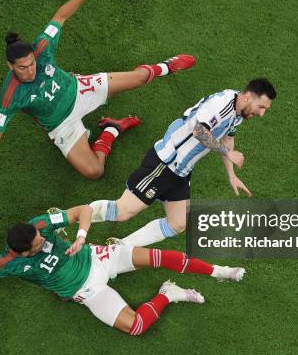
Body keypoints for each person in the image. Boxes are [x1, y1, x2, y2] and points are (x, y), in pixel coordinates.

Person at [0, 0, 195, 193]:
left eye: (32, 63)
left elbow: (60, 17)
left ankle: (168, 66)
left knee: (140, 78)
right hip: (62, 125)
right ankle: (111, 130)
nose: (31, 70)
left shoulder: (42, 48)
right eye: (23, 68)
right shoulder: (10, 96)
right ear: (10, 66)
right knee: (94, 171)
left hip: (81, 89)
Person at [0, 206, 245, 335]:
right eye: (37, 245)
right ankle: (169, 294)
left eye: (41, 238)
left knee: (162, 257)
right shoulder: (7, 264)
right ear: (22, 252)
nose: (43, 242)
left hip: (98, 257)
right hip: (88, 292)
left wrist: (80, 237)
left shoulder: (39, 226)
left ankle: (220, 271)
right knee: (135, 327)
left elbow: (83, 211)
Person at [89, 78, 277, 246]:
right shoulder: (221, 104)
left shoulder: (238, 112)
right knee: (122, 211)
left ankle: (119, 247)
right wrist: (227, 153)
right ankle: (63, 217)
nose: (262, 114)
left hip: (181, 171)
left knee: (178, 223)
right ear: (248, 97)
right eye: (261, 107)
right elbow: (199, 132)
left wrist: (232, 175)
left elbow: (227, 139)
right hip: (165, 163)